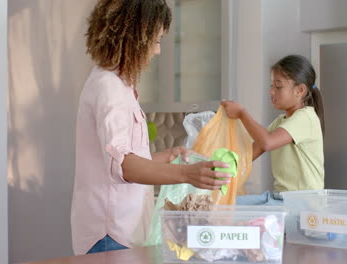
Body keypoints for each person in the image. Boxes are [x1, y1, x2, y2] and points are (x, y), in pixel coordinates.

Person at [71, 0, 231, 255]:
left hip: (124, 230)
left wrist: (163, 159)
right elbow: (123, 165)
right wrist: (187, 174)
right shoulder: (108, 87)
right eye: (156, 41)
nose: (157, 51)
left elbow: (121, 160)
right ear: (135, 39)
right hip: (109, 233)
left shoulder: (120, 87)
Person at [221, 55, 324, 205]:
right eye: (271, 86)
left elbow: (267, 142)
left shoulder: (306, 117)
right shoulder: (280, 123)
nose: (271, 91)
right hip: (282, 199)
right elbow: (248, 155)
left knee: (232, 210)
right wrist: (216, 168)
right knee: (229, 205)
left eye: (278, 86)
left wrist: (242, 114)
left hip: (303, 204)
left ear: (300, 90)